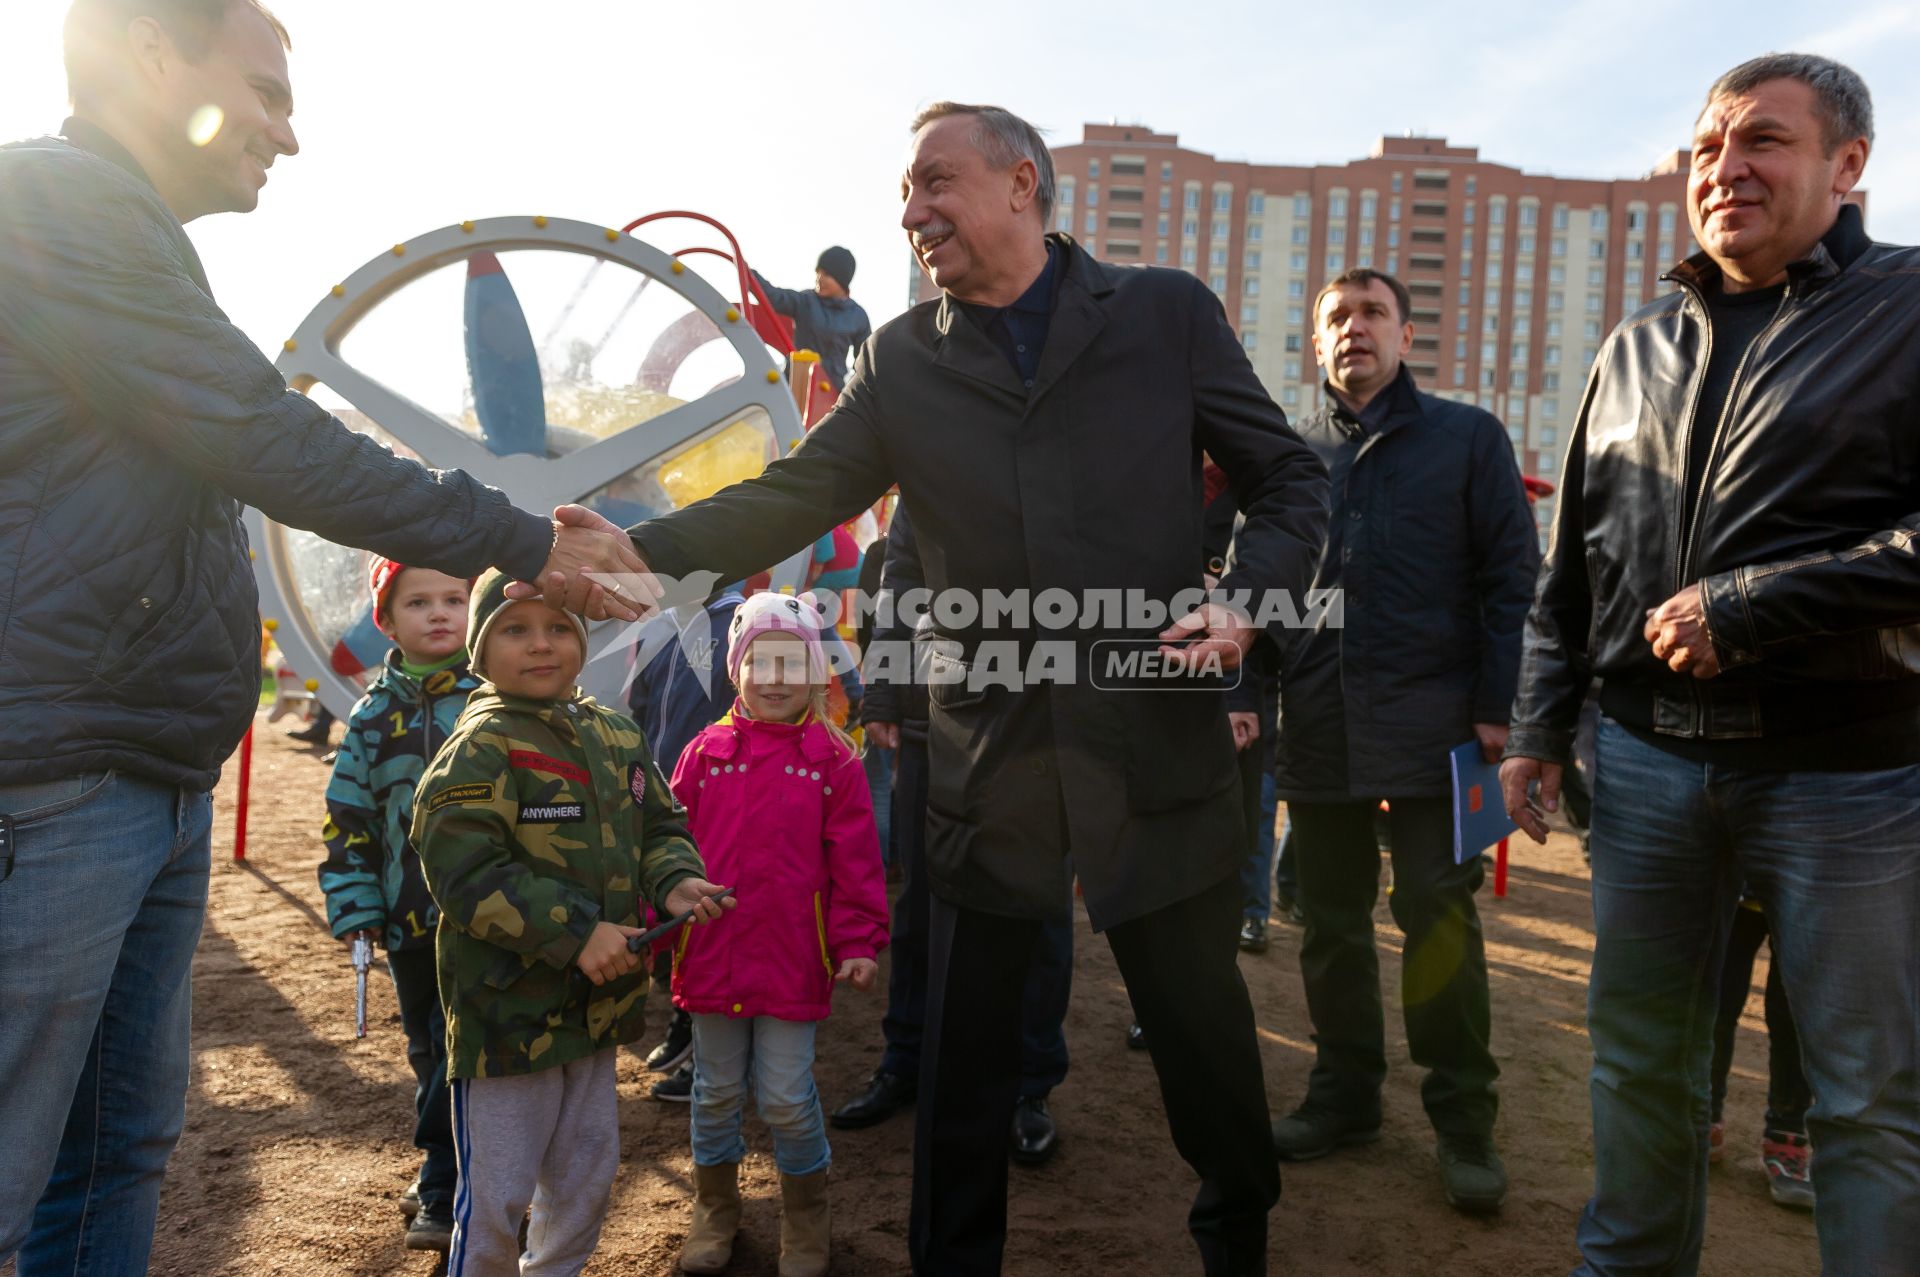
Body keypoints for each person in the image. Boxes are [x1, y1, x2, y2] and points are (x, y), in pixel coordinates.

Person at [549, 101, 1329, 1276]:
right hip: (986, 763)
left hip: (1153, 743)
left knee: (1206, 1046)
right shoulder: (903, 356)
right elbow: (797, 491)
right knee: (959, 1076)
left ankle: (1240, 1242)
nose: (910, 213)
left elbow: (1290, 480)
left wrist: (1246, 600)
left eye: (933, 184)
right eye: (904, 195)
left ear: (1023, 183)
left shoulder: (1164, 313)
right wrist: (642, 551)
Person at [0, 3, 641, 1270]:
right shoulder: (58, 208)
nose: (285, 136)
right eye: (263, 95)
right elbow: (269, 435)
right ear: (148, 56)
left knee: (113, 1150)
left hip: (138, 766)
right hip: (63, 776)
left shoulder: (115, 233)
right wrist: (523, 539)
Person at [1499, 54, 1920, 1276]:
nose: (1725, 168)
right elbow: (1571, 563)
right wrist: (1538, 724)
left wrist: (1760, 601)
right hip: (1643, 774)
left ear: (1848, 166)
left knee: (1865, 1098)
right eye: (1705, 147)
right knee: (1638, 1064)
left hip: (1849, 777)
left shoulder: (1907, 308)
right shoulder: (1634, 342)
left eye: (1765, 142)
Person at [1270, 269, 1537, 1212]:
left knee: (1439, 913)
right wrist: (1252, 694)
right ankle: (1344, 1099)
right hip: (1321, 724)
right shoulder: (1290, 454)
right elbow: (1259, 589)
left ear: (1408, 334)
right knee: (1329, 923)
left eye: (1372, 313)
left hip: (1442, 731)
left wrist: (1502, 707)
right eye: (1335, 318)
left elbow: (1514, 578)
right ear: (1315, 344)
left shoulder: (1467, 438)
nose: (1354, 329)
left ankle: (1465, 1122)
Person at [413, 570, 731, 1276]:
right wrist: (578, 932)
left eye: (558, 627)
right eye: (515, 630)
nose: (541, 645)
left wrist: (675, 879)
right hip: (508, 1023)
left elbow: (659, 823)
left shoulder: (615, 732)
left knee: (587, 1178)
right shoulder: (482, 744)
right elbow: (464, 871)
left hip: (595, 1015)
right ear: (479, 649)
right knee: (497, 1196)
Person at [834, 505, 1074, 1167]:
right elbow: (898, 580)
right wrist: (882, 690)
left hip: (1040, 724)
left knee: (1040, 912)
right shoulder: (927, 460)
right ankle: (906, 1060)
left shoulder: (1064, 446)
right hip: (930, 720)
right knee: (920, 907)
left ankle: (1029, 1086)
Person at [669, 592, 890, 1276]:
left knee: (787, 1096)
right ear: (737, 669)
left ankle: (805, 1214)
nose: (774, 677)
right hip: (713, 954)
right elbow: (668, 849)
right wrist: (659, 917)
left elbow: (857, 863)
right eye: (759, 660)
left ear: (817, 671)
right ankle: (714, 1208)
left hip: (794, 956)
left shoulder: (835, 762)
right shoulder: (705, 753)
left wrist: (856, 941)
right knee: (715, 1091)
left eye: (791, 660)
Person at [315, 560, 480, 1252]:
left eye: (454, 598)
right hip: (411, 924)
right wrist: (356, 905)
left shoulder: (493, 702)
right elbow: (347, 818)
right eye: (419, 602)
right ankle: (444, 1170)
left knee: (472, 1051)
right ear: (385, 619)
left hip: (491, 922)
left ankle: (465, 1175)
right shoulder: (372, 715)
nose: (439, 613)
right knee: (430, 1052)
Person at [626, 579, 749, 1094]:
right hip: (664, 793)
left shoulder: (737, 623)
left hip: (718, 797)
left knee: (710, 915)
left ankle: (714, 1046)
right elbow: (643, 706)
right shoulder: (662, 623)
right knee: (673, 910)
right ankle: (687, 1018)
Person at [1707, 896, 1813, 1210]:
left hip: (1808, 885)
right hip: (1737, 877)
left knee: (1794, 1016)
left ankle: (1787, 1136)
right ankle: (1703, 1118)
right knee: (1716, 1004)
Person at [753, 247, 873, 392]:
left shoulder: (857, 316)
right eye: (818, 273)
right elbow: (774, 296)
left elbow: (865, 362)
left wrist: (855, 391)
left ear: (841, 280)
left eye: (826, 274)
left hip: (829, 389)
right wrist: (748, 274)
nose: (819, 279)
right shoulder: (806, 301)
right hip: (797, 383)